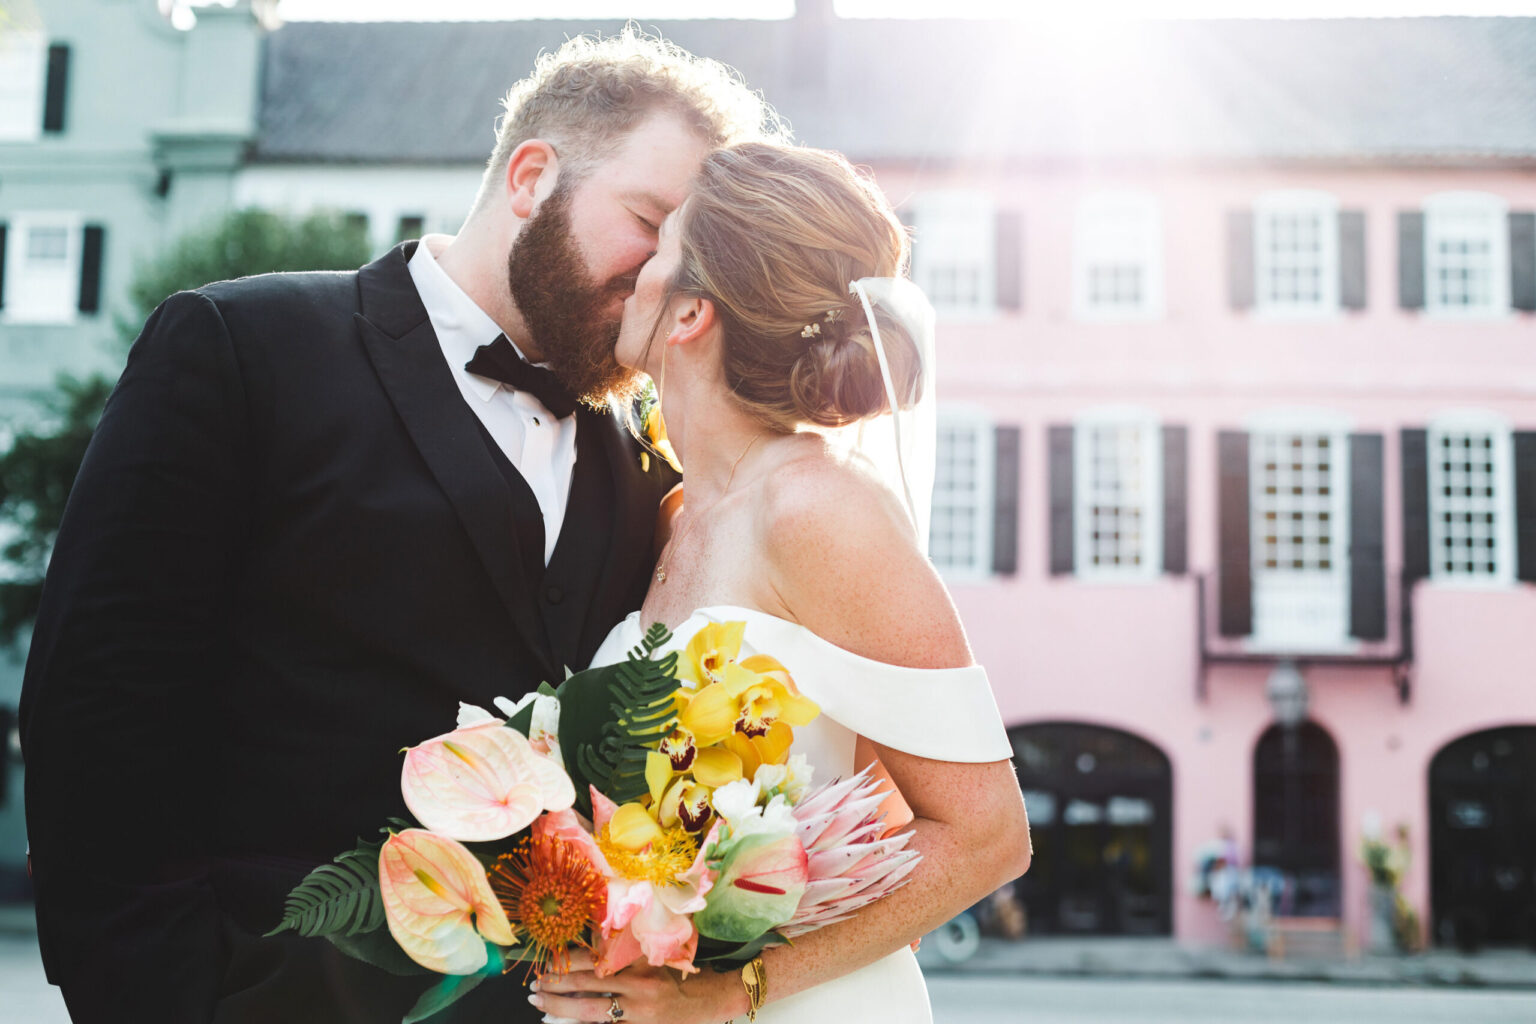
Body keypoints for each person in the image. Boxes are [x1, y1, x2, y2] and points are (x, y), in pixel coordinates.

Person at [19, 32, 782, 1024]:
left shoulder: (647, 468)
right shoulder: (241, 348)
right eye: (648, 220)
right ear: (531, 175)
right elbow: (98, 707)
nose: (663, 278)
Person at [531, 143, 1032, 1023]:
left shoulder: (818, 509)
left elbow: (988, 836)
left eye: (661, 241)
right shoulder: (675, 512)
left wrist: (733, 991)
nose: (635, 268)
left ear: (691, 313)